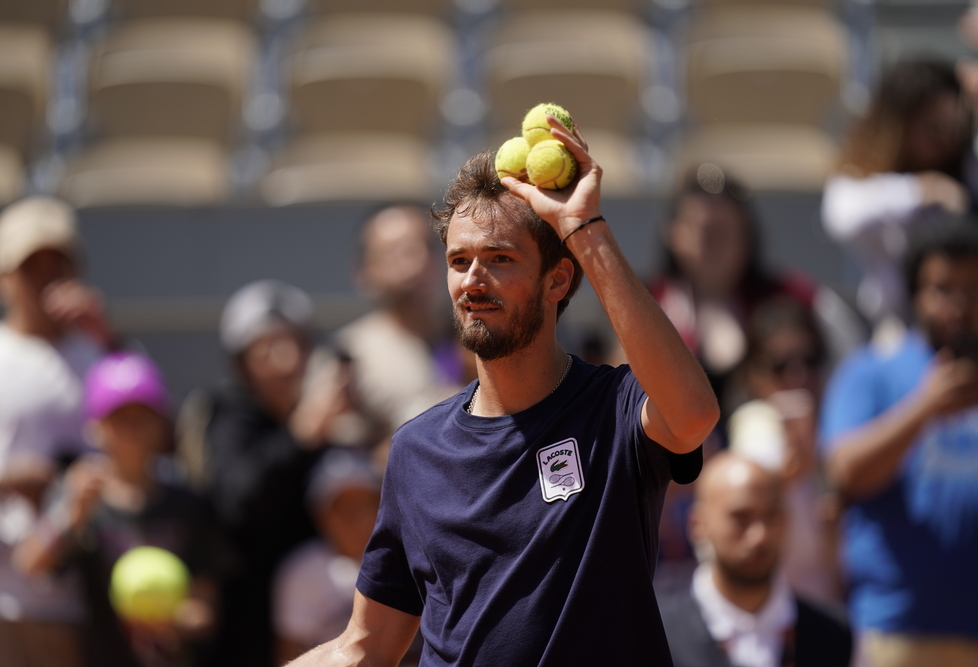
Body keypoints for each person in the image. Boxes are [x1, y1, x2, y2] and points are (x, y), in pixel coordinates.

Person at [286, 115, 719, 666]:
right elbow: (365, 647)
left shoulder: (614, 409)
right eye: (458, 261)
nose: (472, 279)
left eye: (499, 259)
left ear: (558, 279)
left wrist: (585, 228)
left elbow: (693, 414)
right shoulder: (415, 449)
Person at [820, 221, 978, 667]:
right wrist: (923, 410)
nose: (959, 307)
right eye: (942, 290)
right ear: (916, 296)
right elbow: (844, 473)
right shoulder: (872, 371)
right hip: (895, 633)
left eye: (974, 291)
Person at [13, 352, 230, 667]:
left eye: (142, 416)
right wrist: (70, 514)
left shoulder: (188, 504)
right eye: (119, 419)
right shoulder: (80, 498)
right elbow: (29, 564)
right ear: (96, 427)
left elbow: (205, 609)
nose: (132, 429)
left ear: (161, 424)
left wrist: (172, 619)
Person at [178, 280, 348, 667]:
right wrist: (300, 435)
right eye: (267, 347)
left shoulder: (320, 415)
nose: (284, 360)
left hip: (309, 617)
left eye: (293, 343)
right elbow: (239, 501)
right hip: (242, 622)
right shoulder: (226, 413)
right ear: (242, 363)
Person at [0, 197, 115, 667]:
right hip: (8, 602)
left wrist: (108, 338)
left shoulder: (103, 354)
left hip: (89, 599)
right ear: (5, 277)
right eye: (31, 266)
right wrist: (13, 480)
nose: (46, 278)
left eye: (58, 265)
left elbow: (157, 445)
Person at [652, 163, 863, 414]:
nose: (712, 245)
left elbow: (854, 367)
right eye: (703, 232)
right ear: (672, 234)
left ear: (746, 236)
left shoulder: (796, 297)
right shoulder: (646, 305)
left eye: (723, 232)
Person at [822, 58, 978, 327]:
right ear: (899, 126)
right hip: (902, 328)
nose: (947, 141)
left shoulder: (971, 166)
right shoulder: (870, 184)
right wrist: (919, 191)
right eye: (934, 129)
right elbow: (842, 216)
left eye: (954, 128)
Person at [658, 453, 852, 667]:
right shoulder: (656, 632)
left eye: (771, 516)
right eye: (741, 518)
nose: (760, 536)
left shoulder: (834, 636)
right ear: (698, 525)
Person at [727, 297, 841, 603]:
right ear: (754, 375)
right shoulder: (753, 420)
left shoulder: (836, 421)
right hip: (767, 610)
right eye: (781, 365)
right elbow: (749, 491)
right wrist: (785, 477)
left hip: (825, 606)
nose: (798, 375)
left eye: (809, 360)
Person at [334, 203, 467, 451]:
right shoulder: (350, 353)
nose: (418, 260)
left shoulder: (472, 331)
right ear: (364, 271)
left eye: (426, 247)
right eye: (400, 251)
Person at [272, 450, 385, 664]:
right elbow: (288, 651)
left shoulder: (404, 562)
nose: (353, 517)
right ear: (320, 516)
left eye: (363, 504)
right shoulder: (301, 570)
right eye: (341, 507)